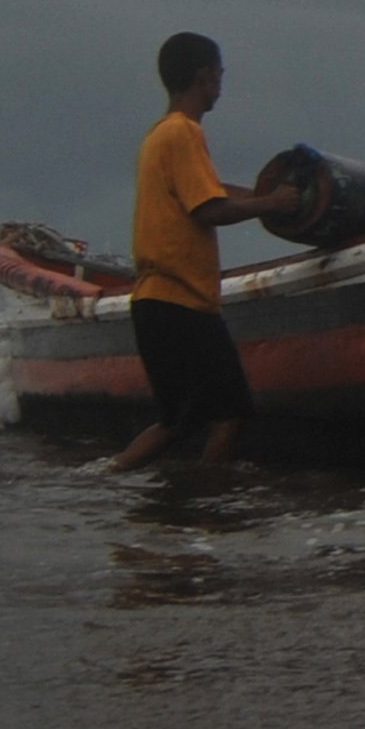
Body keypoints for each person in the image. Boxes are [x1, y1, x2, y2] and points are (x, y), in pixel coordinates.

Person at [105, 31, 300, 474]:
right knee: (229, 414)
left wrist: (264, 195)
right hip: (181, 301)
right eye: (219, 75)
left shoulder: (162, 134)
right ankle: (206, 508)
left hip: (159, 301)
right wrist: (271, 205)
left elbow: (210, 190)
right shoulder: (183, 133)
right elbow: (209, 208)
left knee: (178, 419)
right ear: (204, 76)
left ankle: (105, 479)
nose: (221, 84)